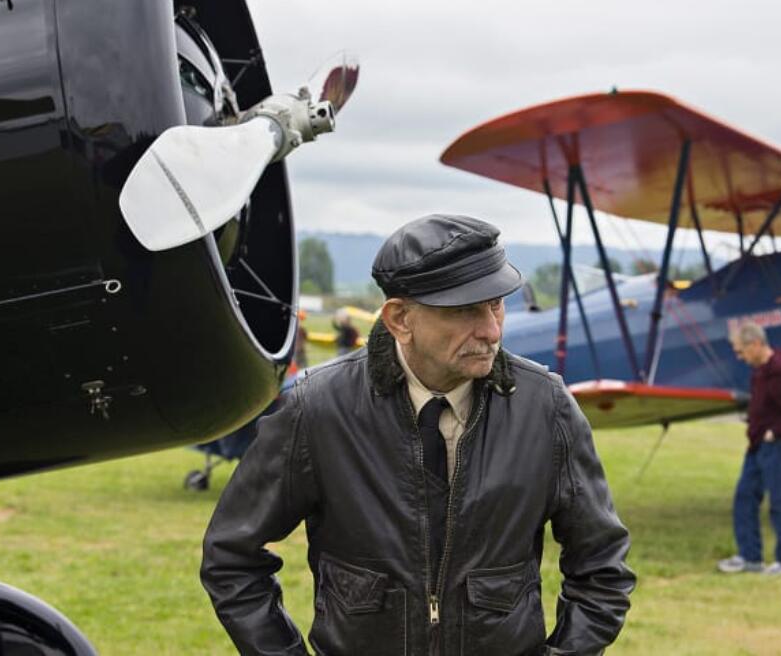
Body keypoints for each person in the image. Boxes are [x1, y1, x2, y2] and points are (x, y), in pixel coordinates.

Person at [202, 213, 635, 656]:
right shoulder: (317, 409)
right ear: (400, 319)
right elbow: (231, 557)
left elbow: (602, 568)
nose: (491, 329)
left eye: (496, 304)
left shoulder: (546, 408)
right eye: (465, 309)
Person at [717, 321, 781, 576]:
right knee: (744, 497)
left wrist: (774, 433)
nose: (740, 357)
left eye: (741, 351)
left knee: (780, 502)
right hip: (757, 445)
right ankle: (750, 557)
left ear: (756, 344)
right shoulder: (760, 371)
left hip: (777, 447)